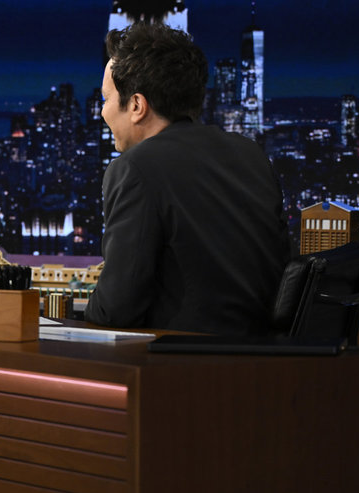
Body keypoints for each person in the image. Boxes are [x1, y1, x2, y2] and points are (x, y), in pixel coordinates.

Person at [84, 22, 290, 335]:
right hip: (268, 355)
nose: (102, 113)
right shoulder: (250, 155)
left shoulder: (135, 168)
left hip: (181, 358)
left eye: (106, 99)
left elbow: (114, 310)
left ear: (137, 105)